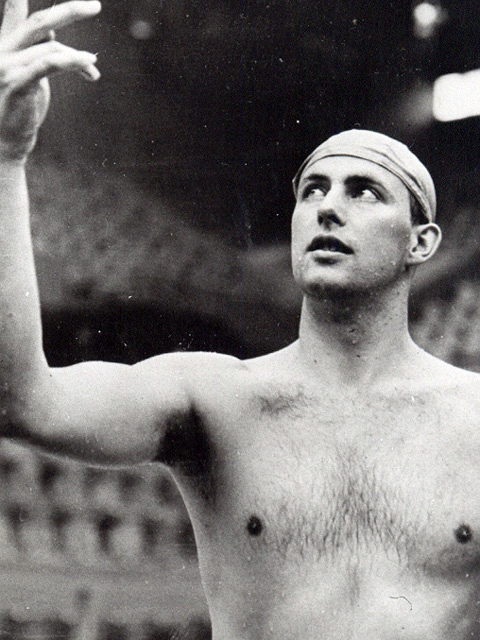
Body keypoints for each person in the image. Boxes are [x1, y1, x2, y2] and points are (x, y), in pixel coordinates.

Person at [0, 1, 479, 639]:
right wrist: (7, 157)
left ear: (421, 242)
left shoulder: (473, 420)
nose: (327, 208)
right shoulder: (217, 399)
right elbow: (23, 402)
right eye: (312, 190)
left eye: (365, 191)